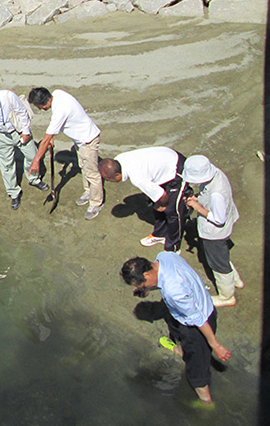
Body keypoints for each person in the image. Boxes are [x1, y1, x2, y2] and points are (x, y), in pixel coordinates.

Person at [120, 254, 231, 407]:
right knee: (172, 321)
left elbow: (198, 319)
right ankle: (180, 349)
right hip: (195, 303)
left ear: (147, 275)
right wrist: (148, 288)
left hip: (197, 324)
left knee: (196, 368)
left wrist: (215, 345)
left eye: (141, 285)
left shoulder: (175, 292)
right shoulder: (165, 257)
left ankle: (206, 401)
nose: (142, 289)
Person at [28, 87, 104, 220]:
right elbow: (54, 125)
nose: (39, 109)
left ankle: (96, 203)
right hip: (80, 141)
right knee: (83, 167)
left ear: (44, 102)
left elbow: (45, 141)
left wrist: (35, 162)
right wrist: (52, 135)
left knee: (92, 173)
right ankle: (89, 192)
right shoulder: (57, 94)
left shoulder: (60, 111)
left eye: (38, 106)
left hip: (88, 140)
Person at [181, 155, 243, 307]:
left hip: (215, 233)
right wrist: (198, 199)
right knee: (222, 255)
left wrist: (197, 207)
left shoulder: (217, 193)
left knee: (217, 263)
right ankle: (235, 280)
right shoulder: (217, 174)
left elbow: (218, 219)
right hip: (224, 227)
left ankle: (227, 296)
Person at [99, 147, 187, 251]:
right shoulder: (118, 160)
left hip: (175, 168)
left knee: (172, 212)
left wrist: (162, 205)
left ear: (118, 174)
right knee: (154, 202)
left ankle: (173, 247)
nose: (107, 181)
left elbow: (162, 196)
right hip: (162, 164)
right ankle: (160, 234)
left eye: (108, 179)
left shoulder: (138, 178)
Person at [0, 89, 49, 210]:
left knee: (32, 156)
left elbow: (22, 112)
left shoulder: (8, 96)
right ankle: (13, 192)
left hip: (17, 130)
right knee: (6, 164)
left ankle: (34, 179)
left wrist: (25, 132)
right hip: (0, 134)